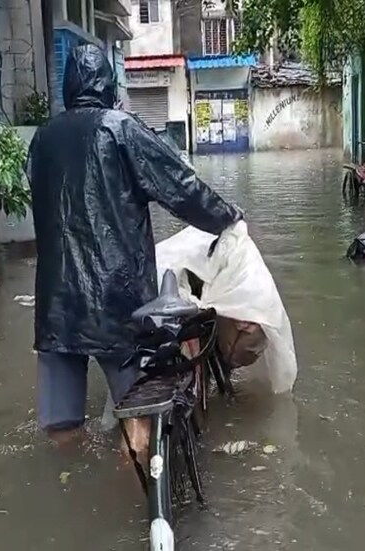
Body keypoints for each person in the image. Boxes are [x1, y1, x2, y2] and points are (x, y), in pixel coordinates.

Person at [26, 43, 242, 446]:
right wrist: (227, 217)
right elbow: (180, 188)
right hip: (118, 300)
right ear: (109, 85)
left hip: (56, 304)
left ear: (69, 87)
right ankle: (133, 493)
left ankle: (68, 492)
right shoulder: (120, 128)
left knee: (62, 427)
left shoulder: (42, 140)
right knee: (139, 415)